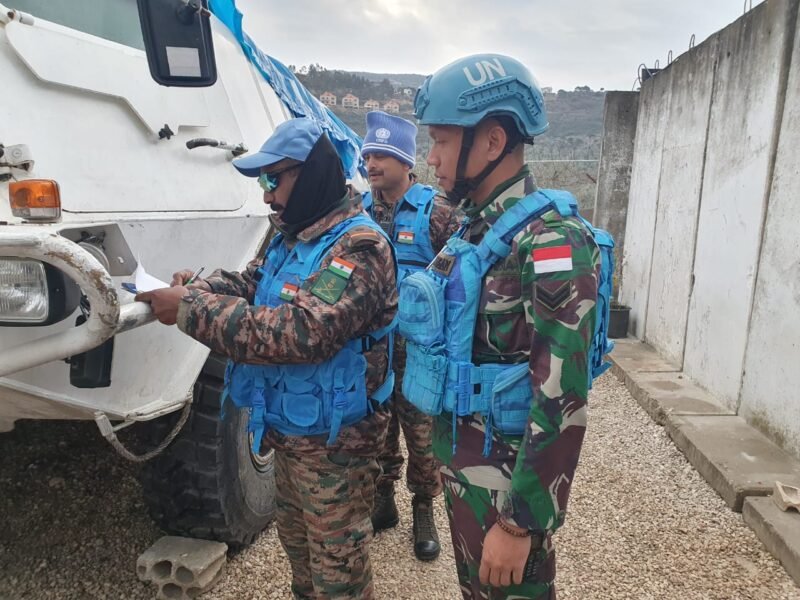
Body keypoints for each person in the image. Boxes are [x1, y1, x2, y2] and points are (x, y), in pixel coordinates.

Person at [136, 117, 397, 600]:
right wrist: (198, 288)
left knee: (339, 574)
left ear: (311, 174)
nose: (266, 196)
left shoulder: (358, 246)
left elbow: (305, 332)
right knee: (301, 561)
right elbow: (253, 283)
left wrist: (191, 310)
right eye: (263, 181)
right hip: (291, 432)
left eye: (274, 180)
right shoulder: (294, 236)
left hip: (335, 447)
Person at [400, 54, 601, 599]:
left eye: (441, 141)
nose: (431, 158)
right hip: (465, 469)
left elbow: (562, 396)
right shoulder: (477, 229)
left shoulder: (553, 242)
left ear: (491, 142)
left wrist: (520, 524)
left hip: (506, 488)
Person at [359, 111, 462, 561]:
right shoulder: (359, 213)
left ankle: (424, 507)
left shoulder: (436, 211)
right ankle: (384, 500)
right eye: (367, 154)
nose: (372, 162)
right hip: (373, 349)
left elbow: (461, 273)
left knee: (422, 434)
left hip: (419, 350)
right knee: (379, 428)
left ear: (406, 161)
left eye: (382, 154)